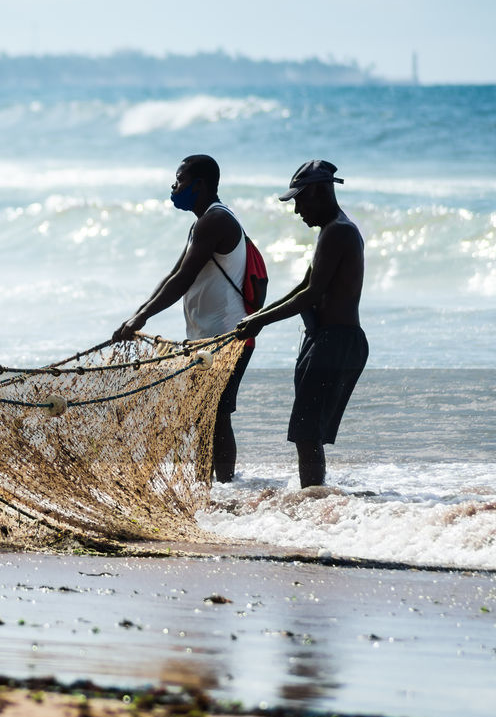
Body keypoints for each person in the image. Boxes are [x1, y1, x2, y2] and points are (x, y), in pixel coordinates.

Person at [112, 154, 264, 482]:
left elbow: (183, 279)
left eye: (179, 181)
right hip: (207, 340)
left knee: (215, 414)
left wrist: (142, 319)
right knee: (204, 415)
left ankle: (222, 487)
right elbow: (174, 274)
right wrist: (139, 314)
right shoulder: (201, 223)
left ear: (200, 185)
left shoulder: (216, 221)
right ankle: (206, 484)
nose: (174, 187)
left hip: (228, 338)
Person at [234, 159, 367, 488]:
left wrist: (261, 322)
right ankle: (315, 498)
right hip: (321, 341)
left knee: (307, 433)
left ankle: (313, 503)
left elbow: (311, 296)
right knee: (307, 432)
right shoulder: (330, 231)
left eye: (301, 200)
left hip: (336, 342)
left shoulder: (339, 231)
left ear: (322, 192)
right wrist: (256, 317)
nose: (297, 211)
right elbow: (303, 289)